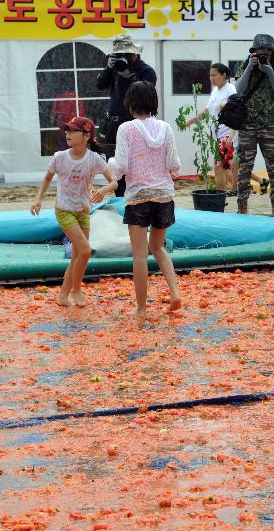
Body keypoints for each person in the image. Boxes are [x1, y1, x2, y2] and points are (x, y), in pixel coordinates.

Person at [109, 82, 182, 327]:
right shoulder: (166, 128)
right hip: (163, 196)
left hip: (138, 196)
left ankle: (141, 309)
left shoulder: (126, 129)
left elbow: (120, 166)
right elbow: (174, 163)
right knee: (159, 248)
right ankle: (174, 293)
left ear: (131, 104)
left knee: (140, 256)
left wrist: (108, 167)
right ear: (154, 102)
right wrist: (170, 171)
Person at [30, 116, 118, 307]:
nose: (68, 134)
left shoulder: (94, 159)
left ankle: (63, 296)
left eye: (73, 131)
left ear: (86, 136)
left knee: (78, 256)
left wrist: (103, 190)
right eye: (67, 130)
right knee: (85, 251)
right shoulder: (60, 157)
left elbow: (114, 182)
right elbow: (46, 179)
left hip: (83, 211)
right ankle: (76, 290)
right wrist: (38, 200)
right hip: (64, 211)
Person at [180, 63, 268, 194]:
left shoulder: (231, 89)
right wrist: (189, 122)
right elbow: (206, 112)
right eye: (210, 75)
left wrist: (226, 109)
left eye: (214, 75)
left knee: (226, 166)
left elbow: (238, 111)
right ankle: (248, 185)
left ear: (224, 75)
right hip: (217, 134)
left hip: (229, 133)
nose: (211, 78)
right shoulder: (215, 91)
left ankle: (231, 191)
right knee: (228, 166)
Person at [96, 34, 157, 198]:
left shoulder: (146, 71)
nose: (122, 58)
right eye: (118, 55)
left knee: (137, 163)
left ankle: (137, 199)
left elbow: (146, 95)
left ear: (135, 53)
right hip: (113, 124)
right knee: (115, 164)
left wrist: (130, 77)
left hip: (136, 124)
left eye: (125, 54)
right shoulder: (115, 68)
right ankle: (121, 199)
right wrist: (109, 69)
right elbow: (99, 85)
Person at [234, 34, 274, 216]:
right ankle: (242, 208)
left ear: (272, 52)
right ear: (254, 51)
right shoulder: (245, 64)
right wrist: (250, 67)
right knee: (245, 168)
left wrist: (269, 71)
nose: (264, 52)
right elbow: (238, 90)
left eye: (267, 50)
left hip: (269, 125)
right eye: (260, 49)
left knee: (273, 166)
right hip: (247, 125)